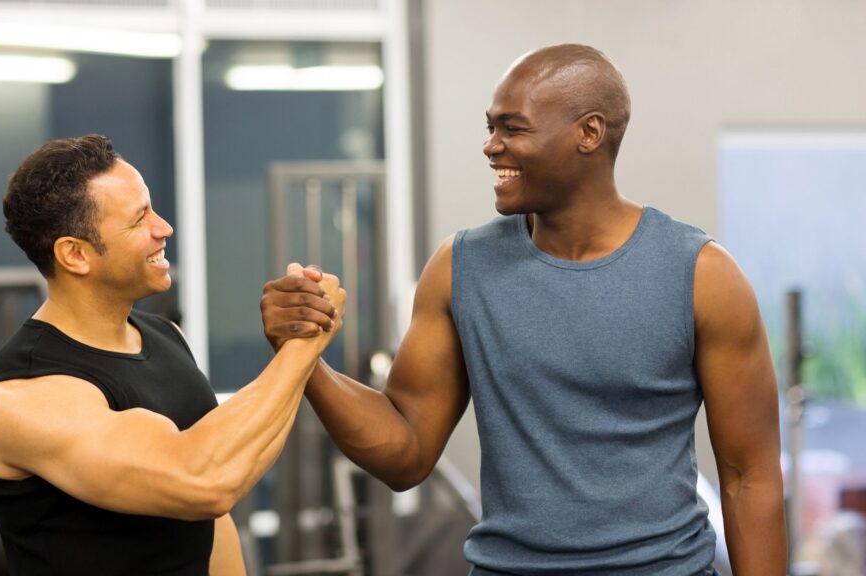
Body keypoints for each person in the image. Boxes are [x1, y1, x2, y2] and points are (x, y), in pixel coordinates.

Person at [260, 44, 785, 574]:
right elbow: (406, 451)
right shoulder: (459, 266)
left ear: (589, 133)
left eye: (513, 129)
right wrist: (306, 360)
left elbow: (750, 476)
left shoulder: (702, 275)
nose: (492, 147)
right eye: (490, 128)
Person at [0, 134, 345, 576]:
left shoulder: (166, 337)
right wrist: (304, 344)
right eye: (139, 219)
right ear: (76, 255)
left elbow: (213, 517)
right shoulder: (24, 397)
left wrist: (299, 348)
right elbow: (203, 482)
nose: (163, 228)